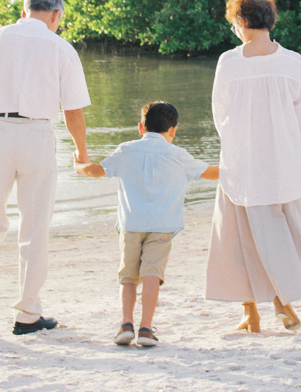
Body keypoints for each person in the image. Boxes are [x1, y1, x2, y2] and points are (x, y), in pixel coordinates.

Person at [205, 0, 301, 333]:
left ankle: (257, 311)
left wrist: (238, 146)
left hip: (242, 160)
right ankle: (274, 304)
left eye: (234, 22)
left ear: (241, 21)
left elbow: (220, 116)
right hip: (282, 162)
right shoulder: (292, 60)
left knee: (239, 235)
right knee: (279, 233)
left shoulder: (229, 61)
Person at [0, 0, 91, 335]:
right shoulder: (61, 48)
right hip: (37, 136)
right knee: (35, 226)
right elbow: (73, 113)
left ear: (24, 11)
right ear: (56, 15)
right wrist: (82, 153)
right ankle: (28, 313)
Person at [74, 102, 219, 347]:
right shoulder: (179, 155)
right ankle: (145, 328)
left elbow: (96, 170)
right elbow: (212, 173)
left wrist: (79, 166)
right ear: (173, 130)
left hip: (131, 224)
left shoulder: (126, 150)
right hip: (162, 226)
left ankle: (126, 324)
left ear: (141, 127)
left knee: (128, 277)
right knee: (152, 275)